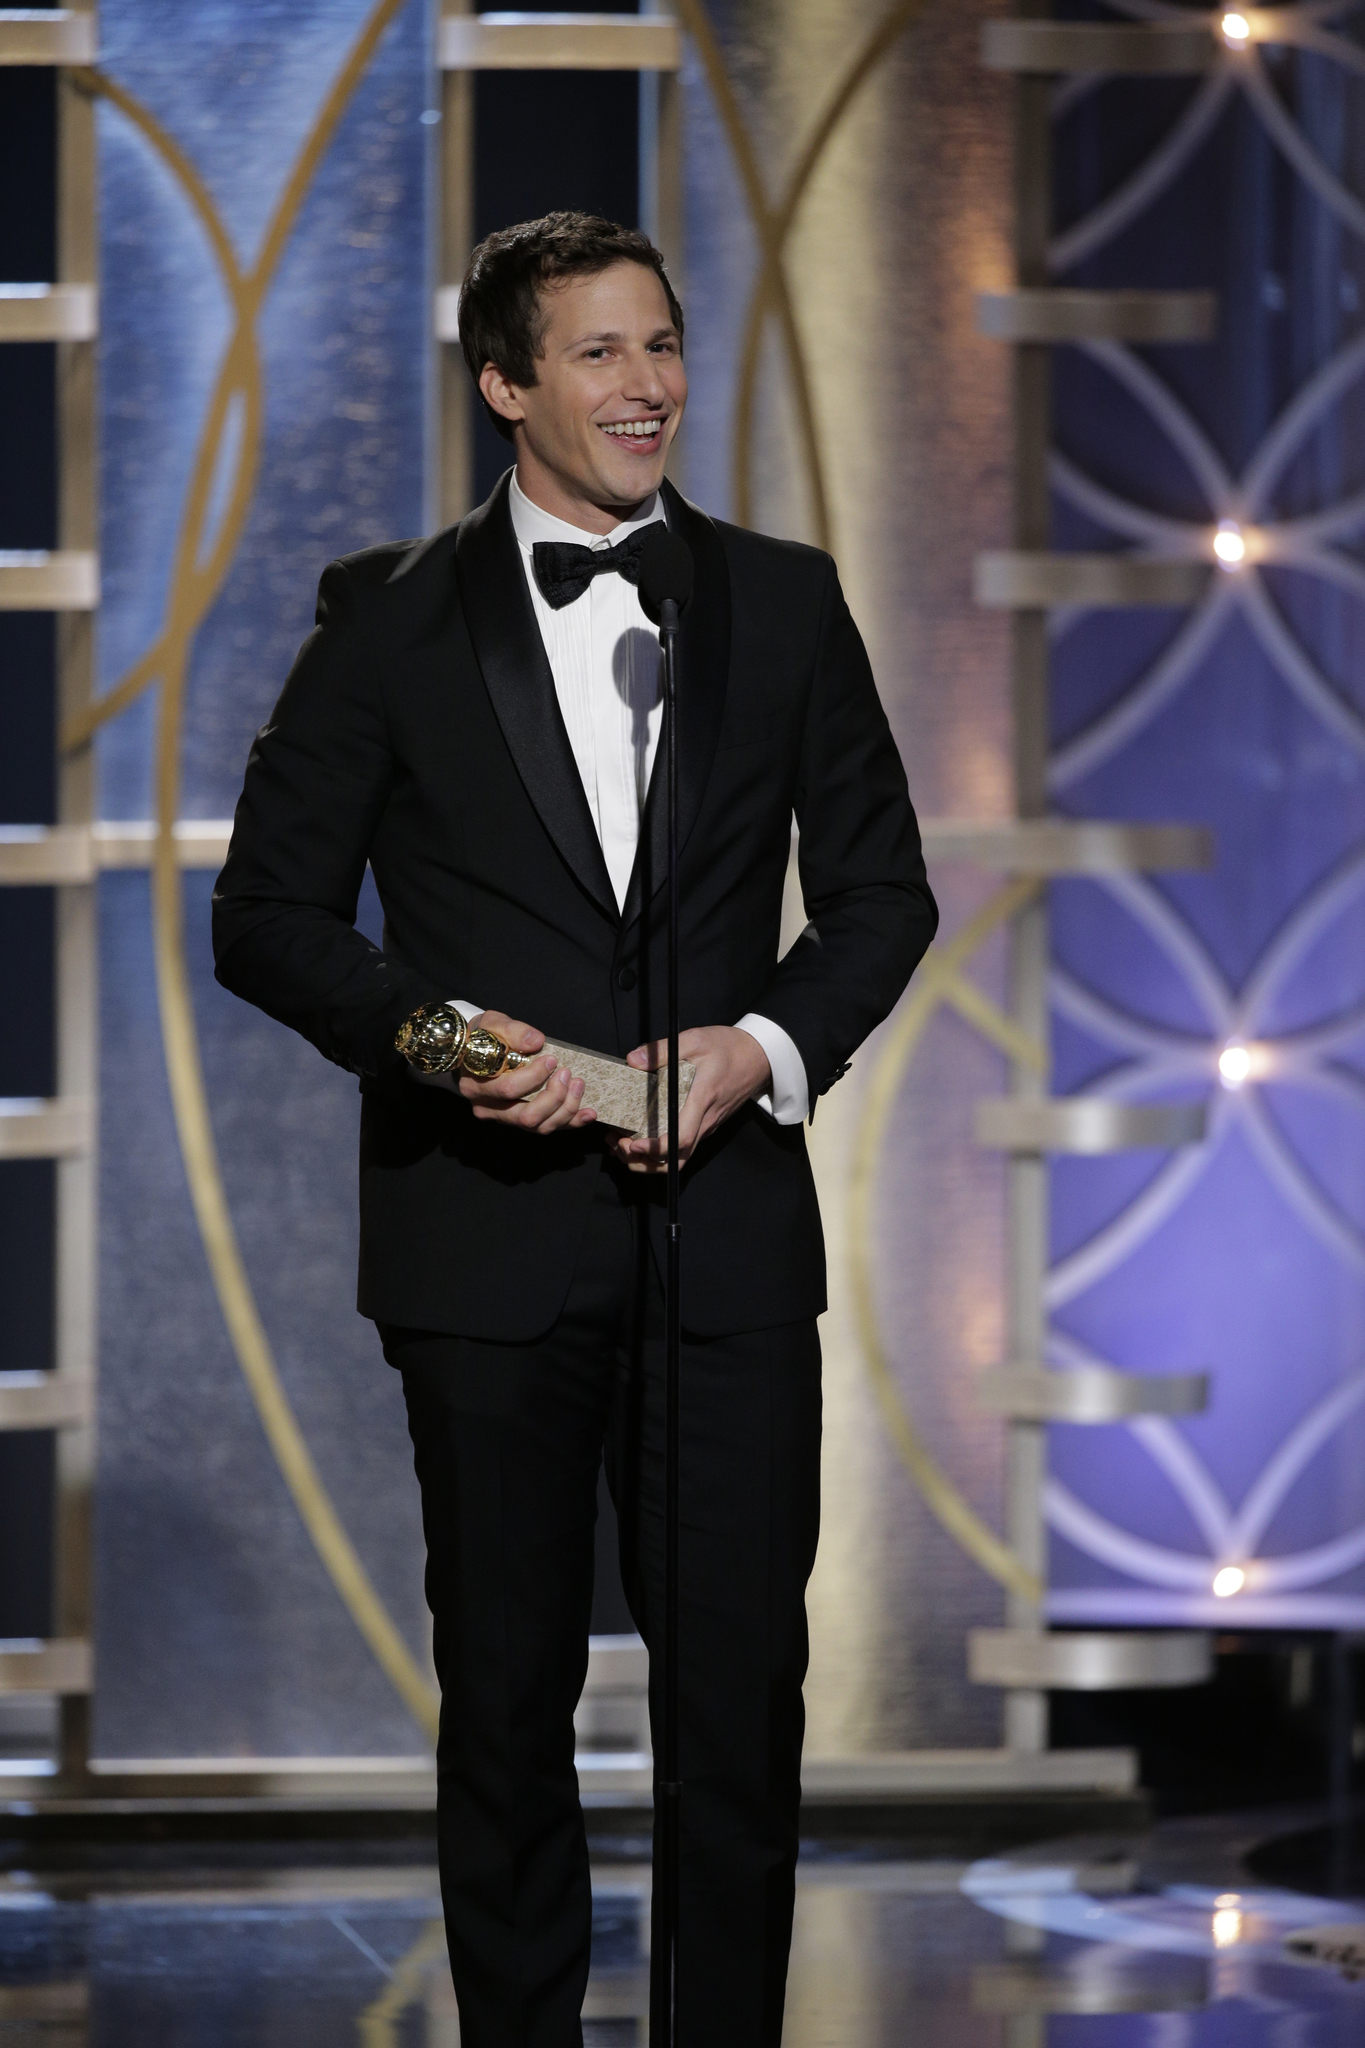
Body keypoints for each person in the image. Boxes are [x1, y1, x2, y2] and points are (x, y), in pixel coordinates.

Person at [212, 210, 937, 2048]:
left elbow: (879, 898)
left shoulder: (778, 600)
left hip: (729, 1249)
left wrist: (758, 1045)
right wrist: (446, 1041)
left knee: (734, 1715)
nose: (646, 385)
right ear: (504, 384)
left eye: (663, 345)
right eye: (598, 353)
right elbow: (269, 915)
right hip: (487, 1230)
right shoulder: (387, 619)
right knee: (510, 1698)